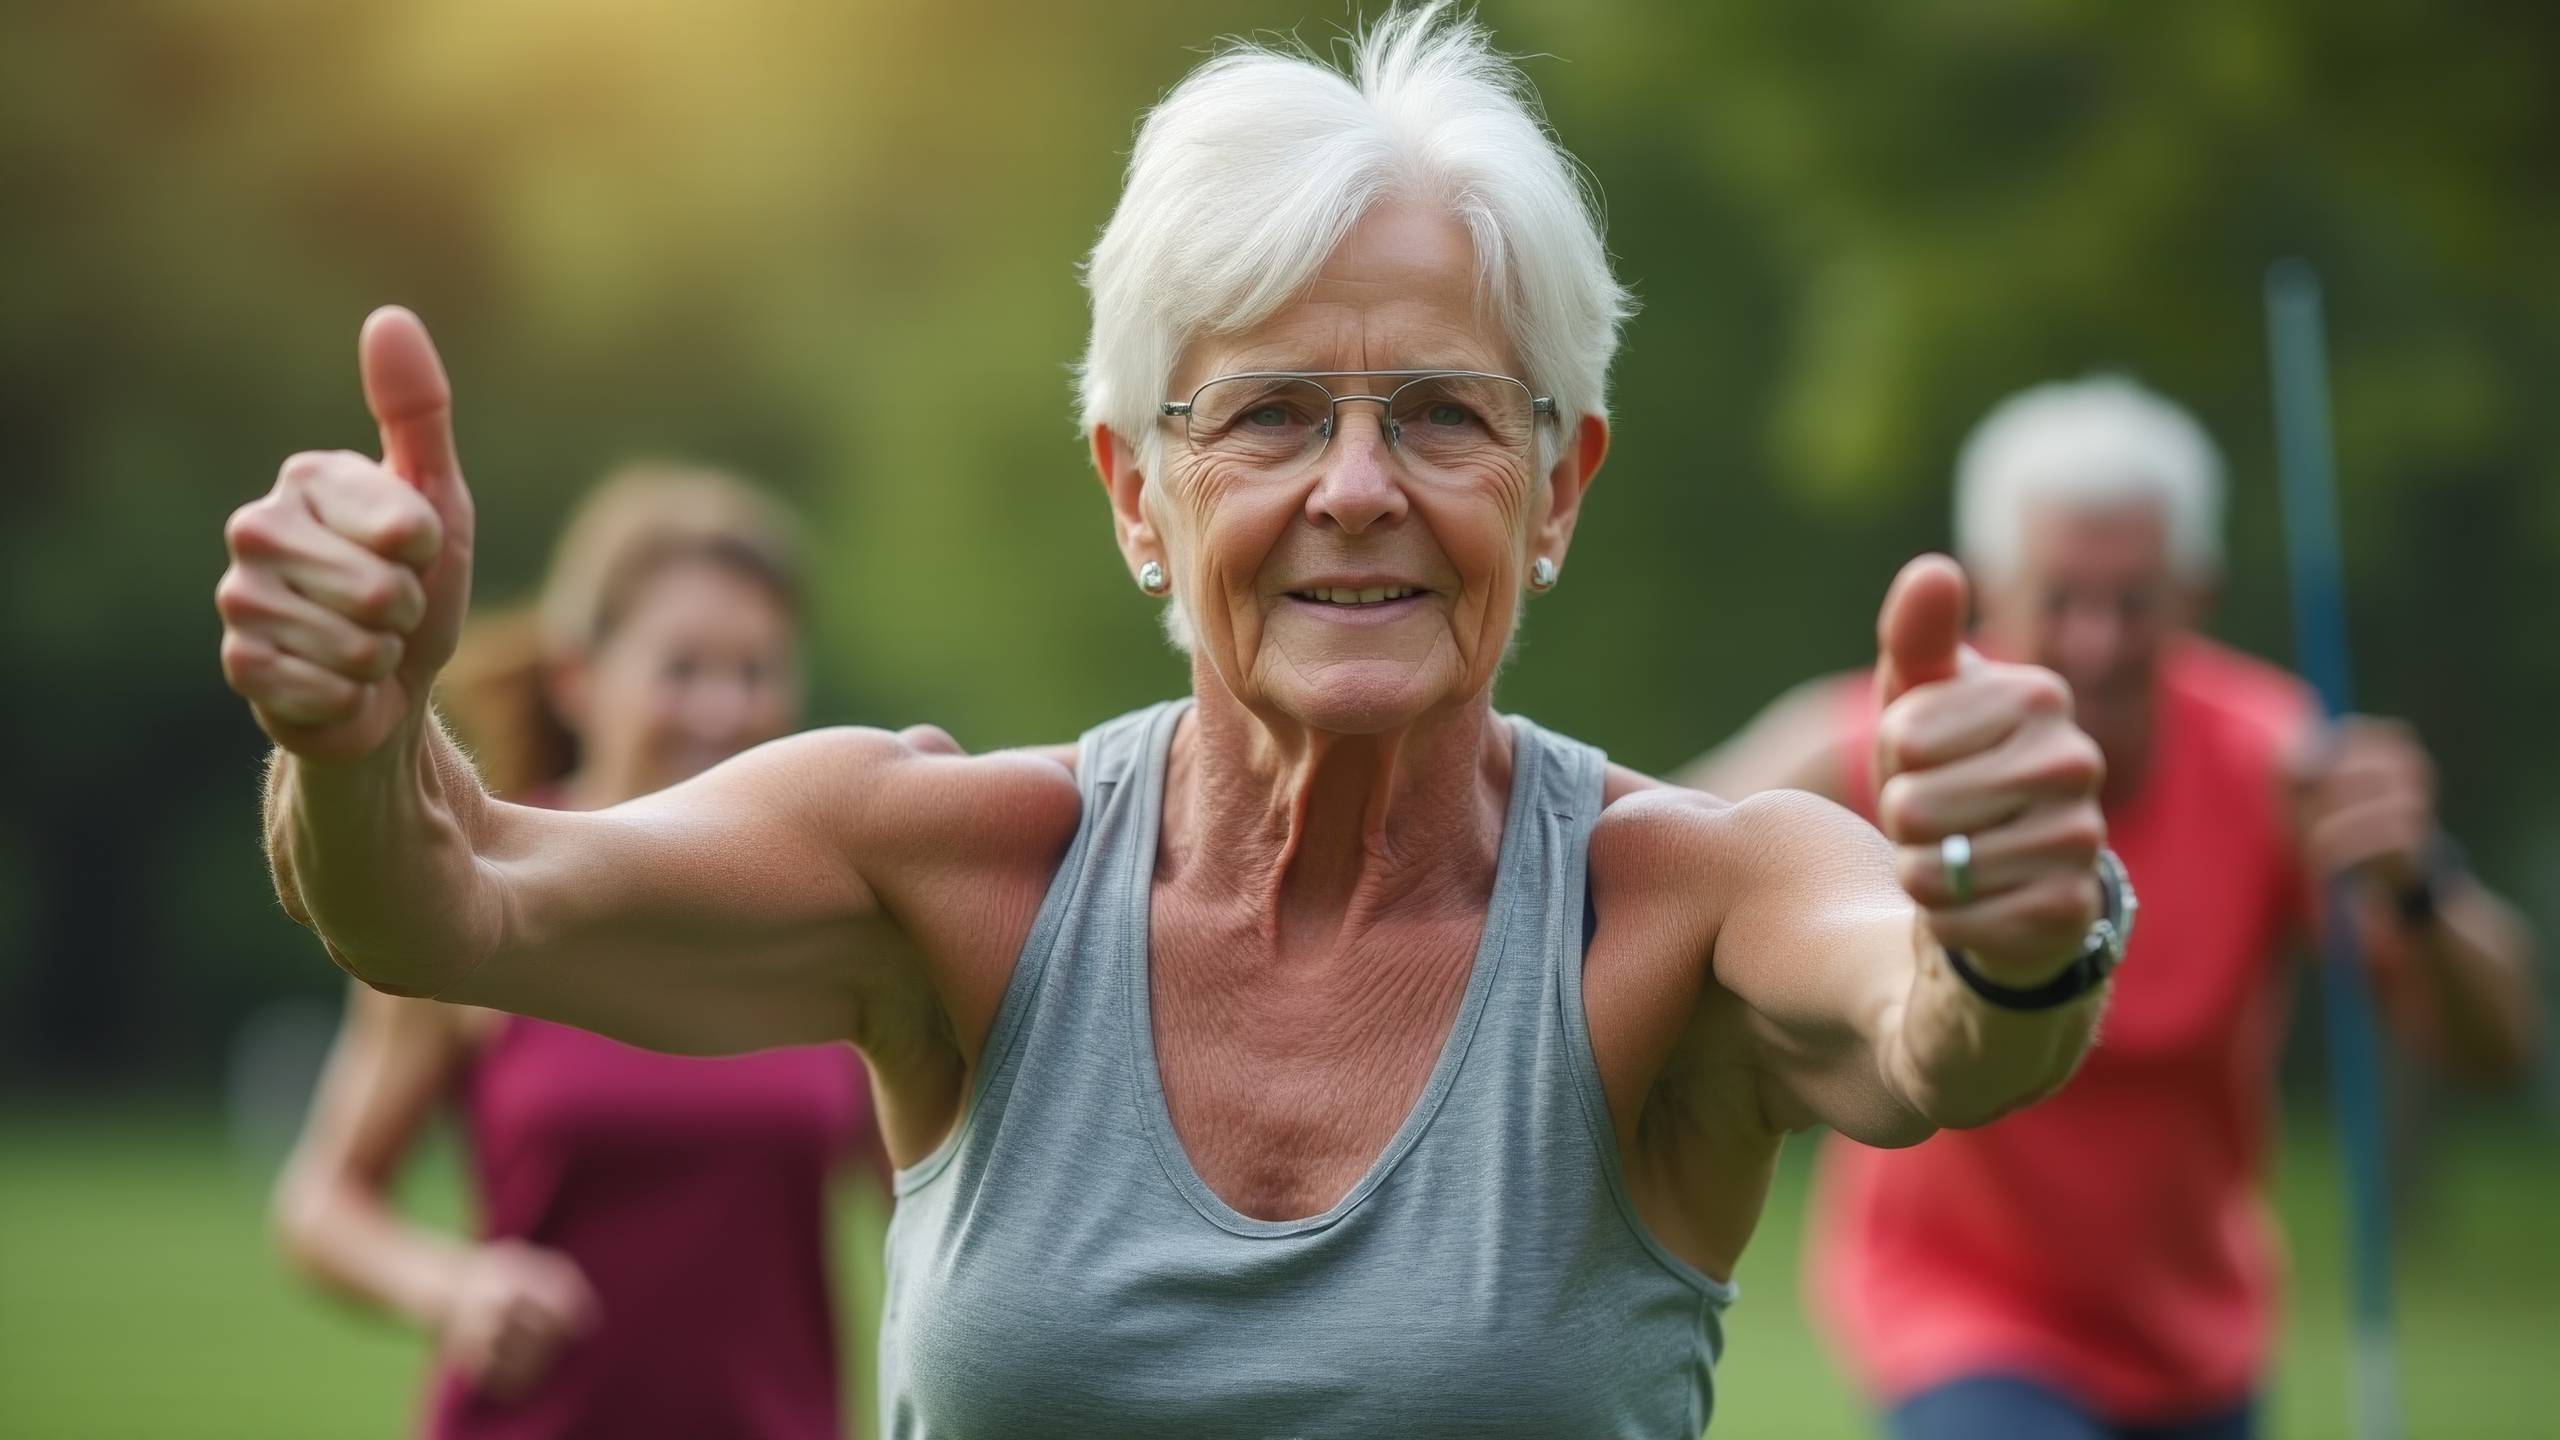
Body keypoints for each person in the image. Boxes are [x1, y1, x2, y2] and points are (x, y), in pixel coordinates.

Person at [218, 9, 2135, 1435]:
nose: (1362, 486)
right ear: (1139, 490)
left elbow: (1934, 1036)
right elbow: (447, 898)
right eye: (1275, 414)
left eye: (1447, 414)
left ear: (1560, 488)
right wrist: (354, 733)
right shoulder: (944, 871)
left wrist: (2016, 927)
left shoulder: (1677, 908)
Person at [1683, 375, 2541, 1440]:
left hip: (2194, 1334)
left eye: (2131, 602)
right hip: (1963, 1317)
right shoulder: (1904, 748)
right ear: (1993, 591)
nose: (2094, 641)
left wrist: (2418, 880)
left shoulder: (2277, 763)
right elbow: (1663, 858)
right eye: (2061, 599)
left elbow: (2494, 1042)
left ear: (2197, 595)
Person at [267, 466, 884, 1439]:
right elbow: (321, 1204)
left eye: (755, 670)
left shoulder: (836, 912)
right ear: (576, 678)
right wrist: (453, 1287)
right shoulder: (479, 895)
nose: (724, 709)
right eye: (682, 670)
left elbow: (935, 1211)